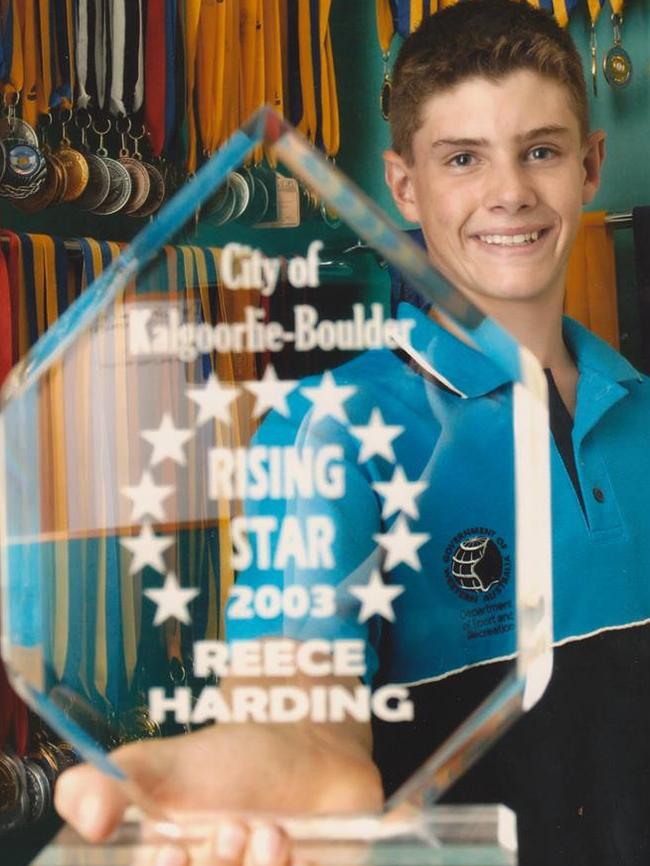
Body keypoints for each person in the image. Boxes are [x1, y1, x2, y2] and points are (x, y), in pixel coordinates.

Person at [55, 2, 650, 865]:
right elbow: (295, 690)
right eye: (462, 159)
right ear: (404, 186)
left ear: (590, 167)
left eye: (542, 151)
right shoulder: (326, 429)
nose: (510, 191)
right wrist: (284, 751)